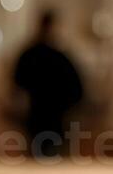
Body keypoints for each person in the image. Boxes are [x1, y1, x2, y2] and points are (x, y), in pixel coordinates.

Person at [11, 11, 85, 158]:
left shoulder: (30, 54)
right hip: (53, 118)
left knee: (36, 157)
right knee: (52, 159)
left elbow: (16, 84)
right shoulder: (59, 57)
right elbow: (78, 90)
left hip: (36, 117)